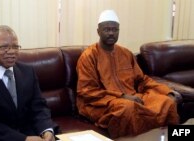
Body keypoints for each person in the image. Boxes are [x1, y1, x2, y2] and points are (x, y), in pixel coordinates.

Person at [76, 10, 182, 139]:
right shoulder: (89, 56)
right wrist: (123, 96)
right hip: (100, 103)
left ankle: (163, 137)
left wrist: (166, 91)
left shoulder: (126, 53)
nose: (111, 33)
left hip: (132, 97)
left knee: (166, 102)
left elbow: (142, 80)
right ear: (98, 31)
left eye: (115, 30)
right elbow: (87, 91)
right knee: (127, 108)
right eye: (107, 29)